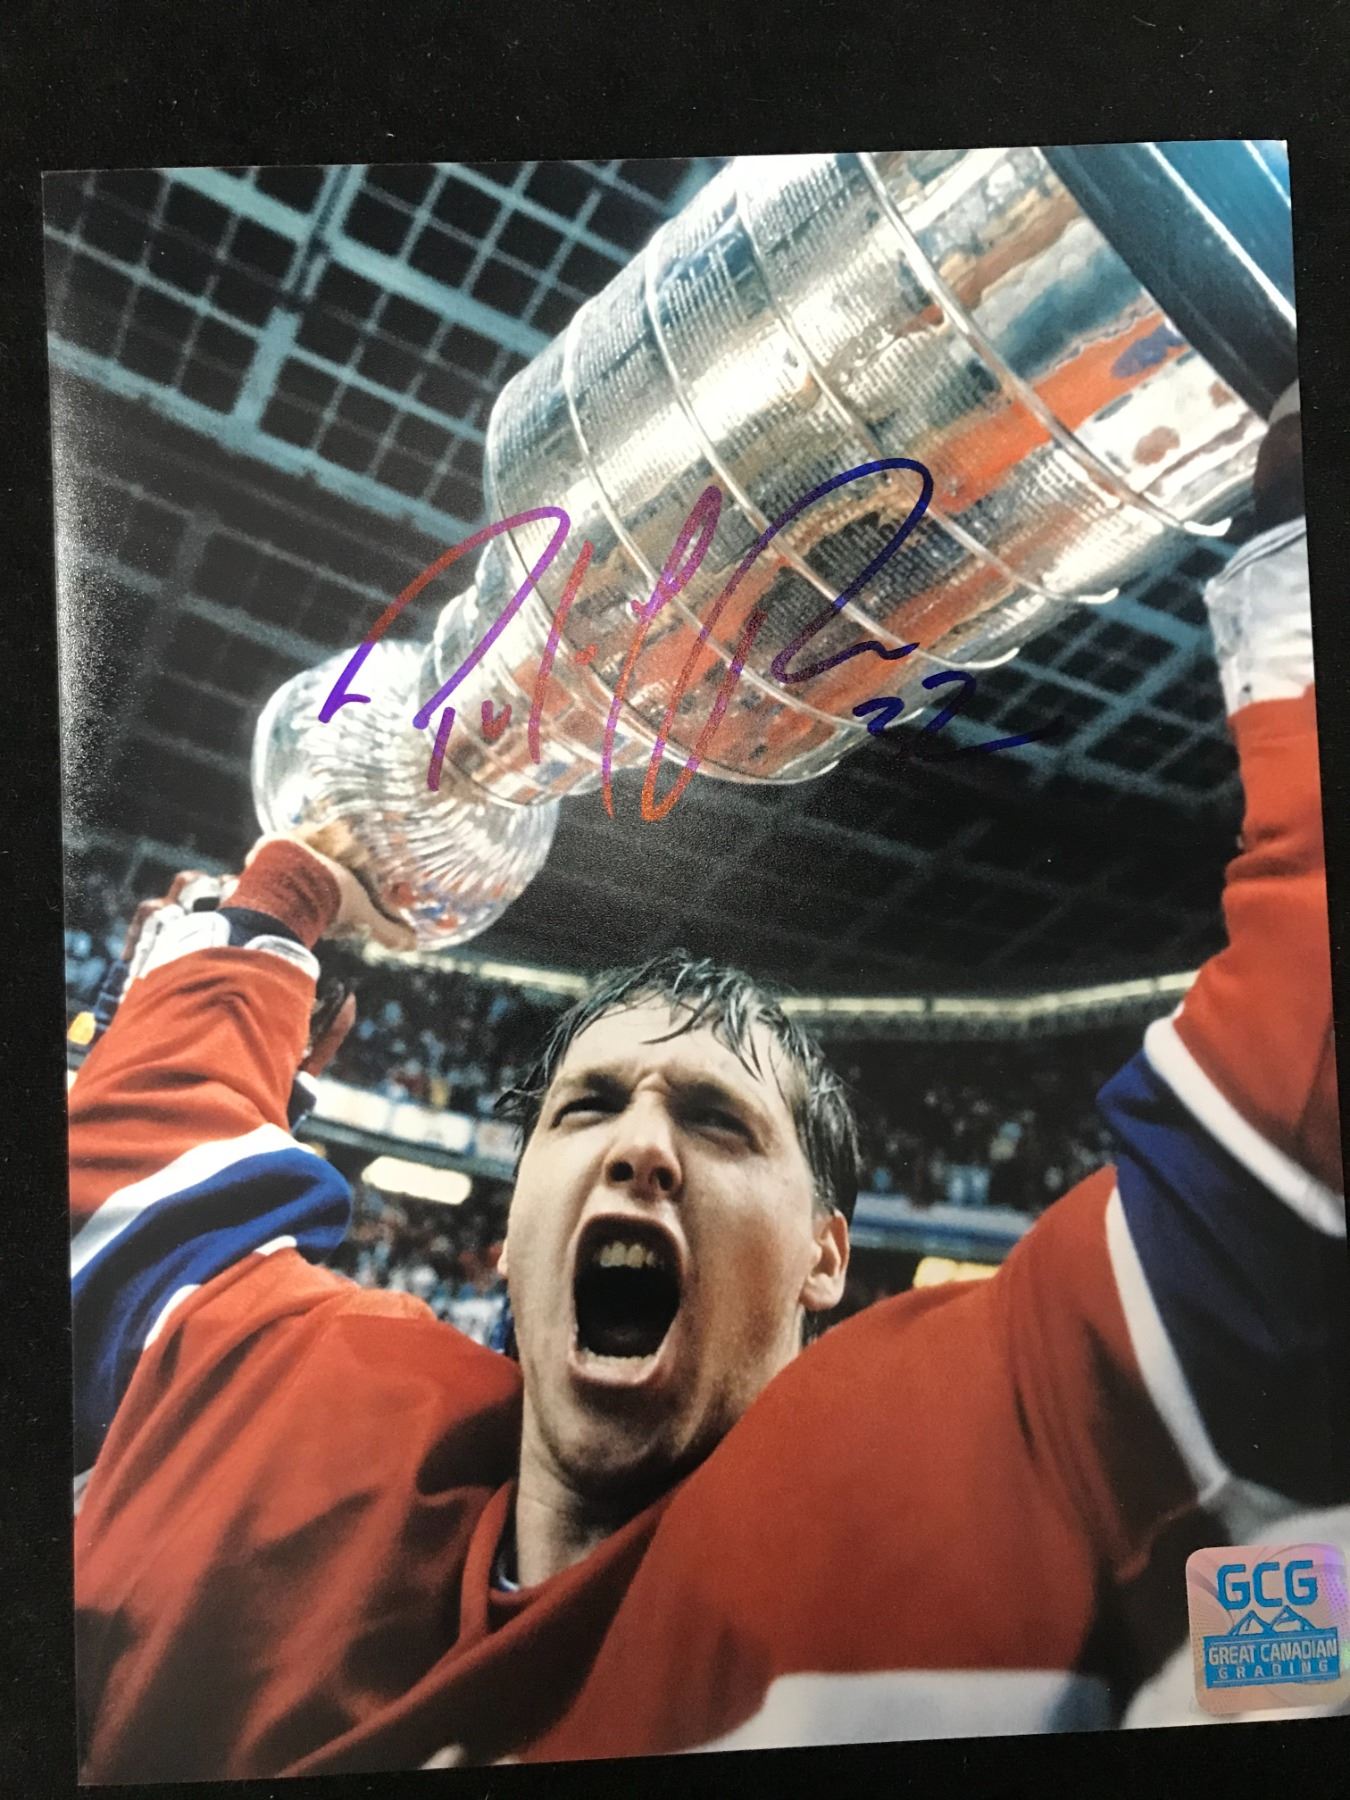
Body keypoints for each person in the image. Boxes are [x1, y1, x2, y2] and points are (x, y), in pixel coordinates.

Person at [67, 398, 1345, 1779]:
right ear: (506, 1238)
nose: (641, 1148)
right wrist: (280, 905)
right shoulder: (312, 1418)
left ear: (826, 1257)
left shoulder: (947, 1485)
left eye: (718, 1120)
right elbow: (130, 1202)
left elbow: (1288, 1182)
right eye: (585, 1107)